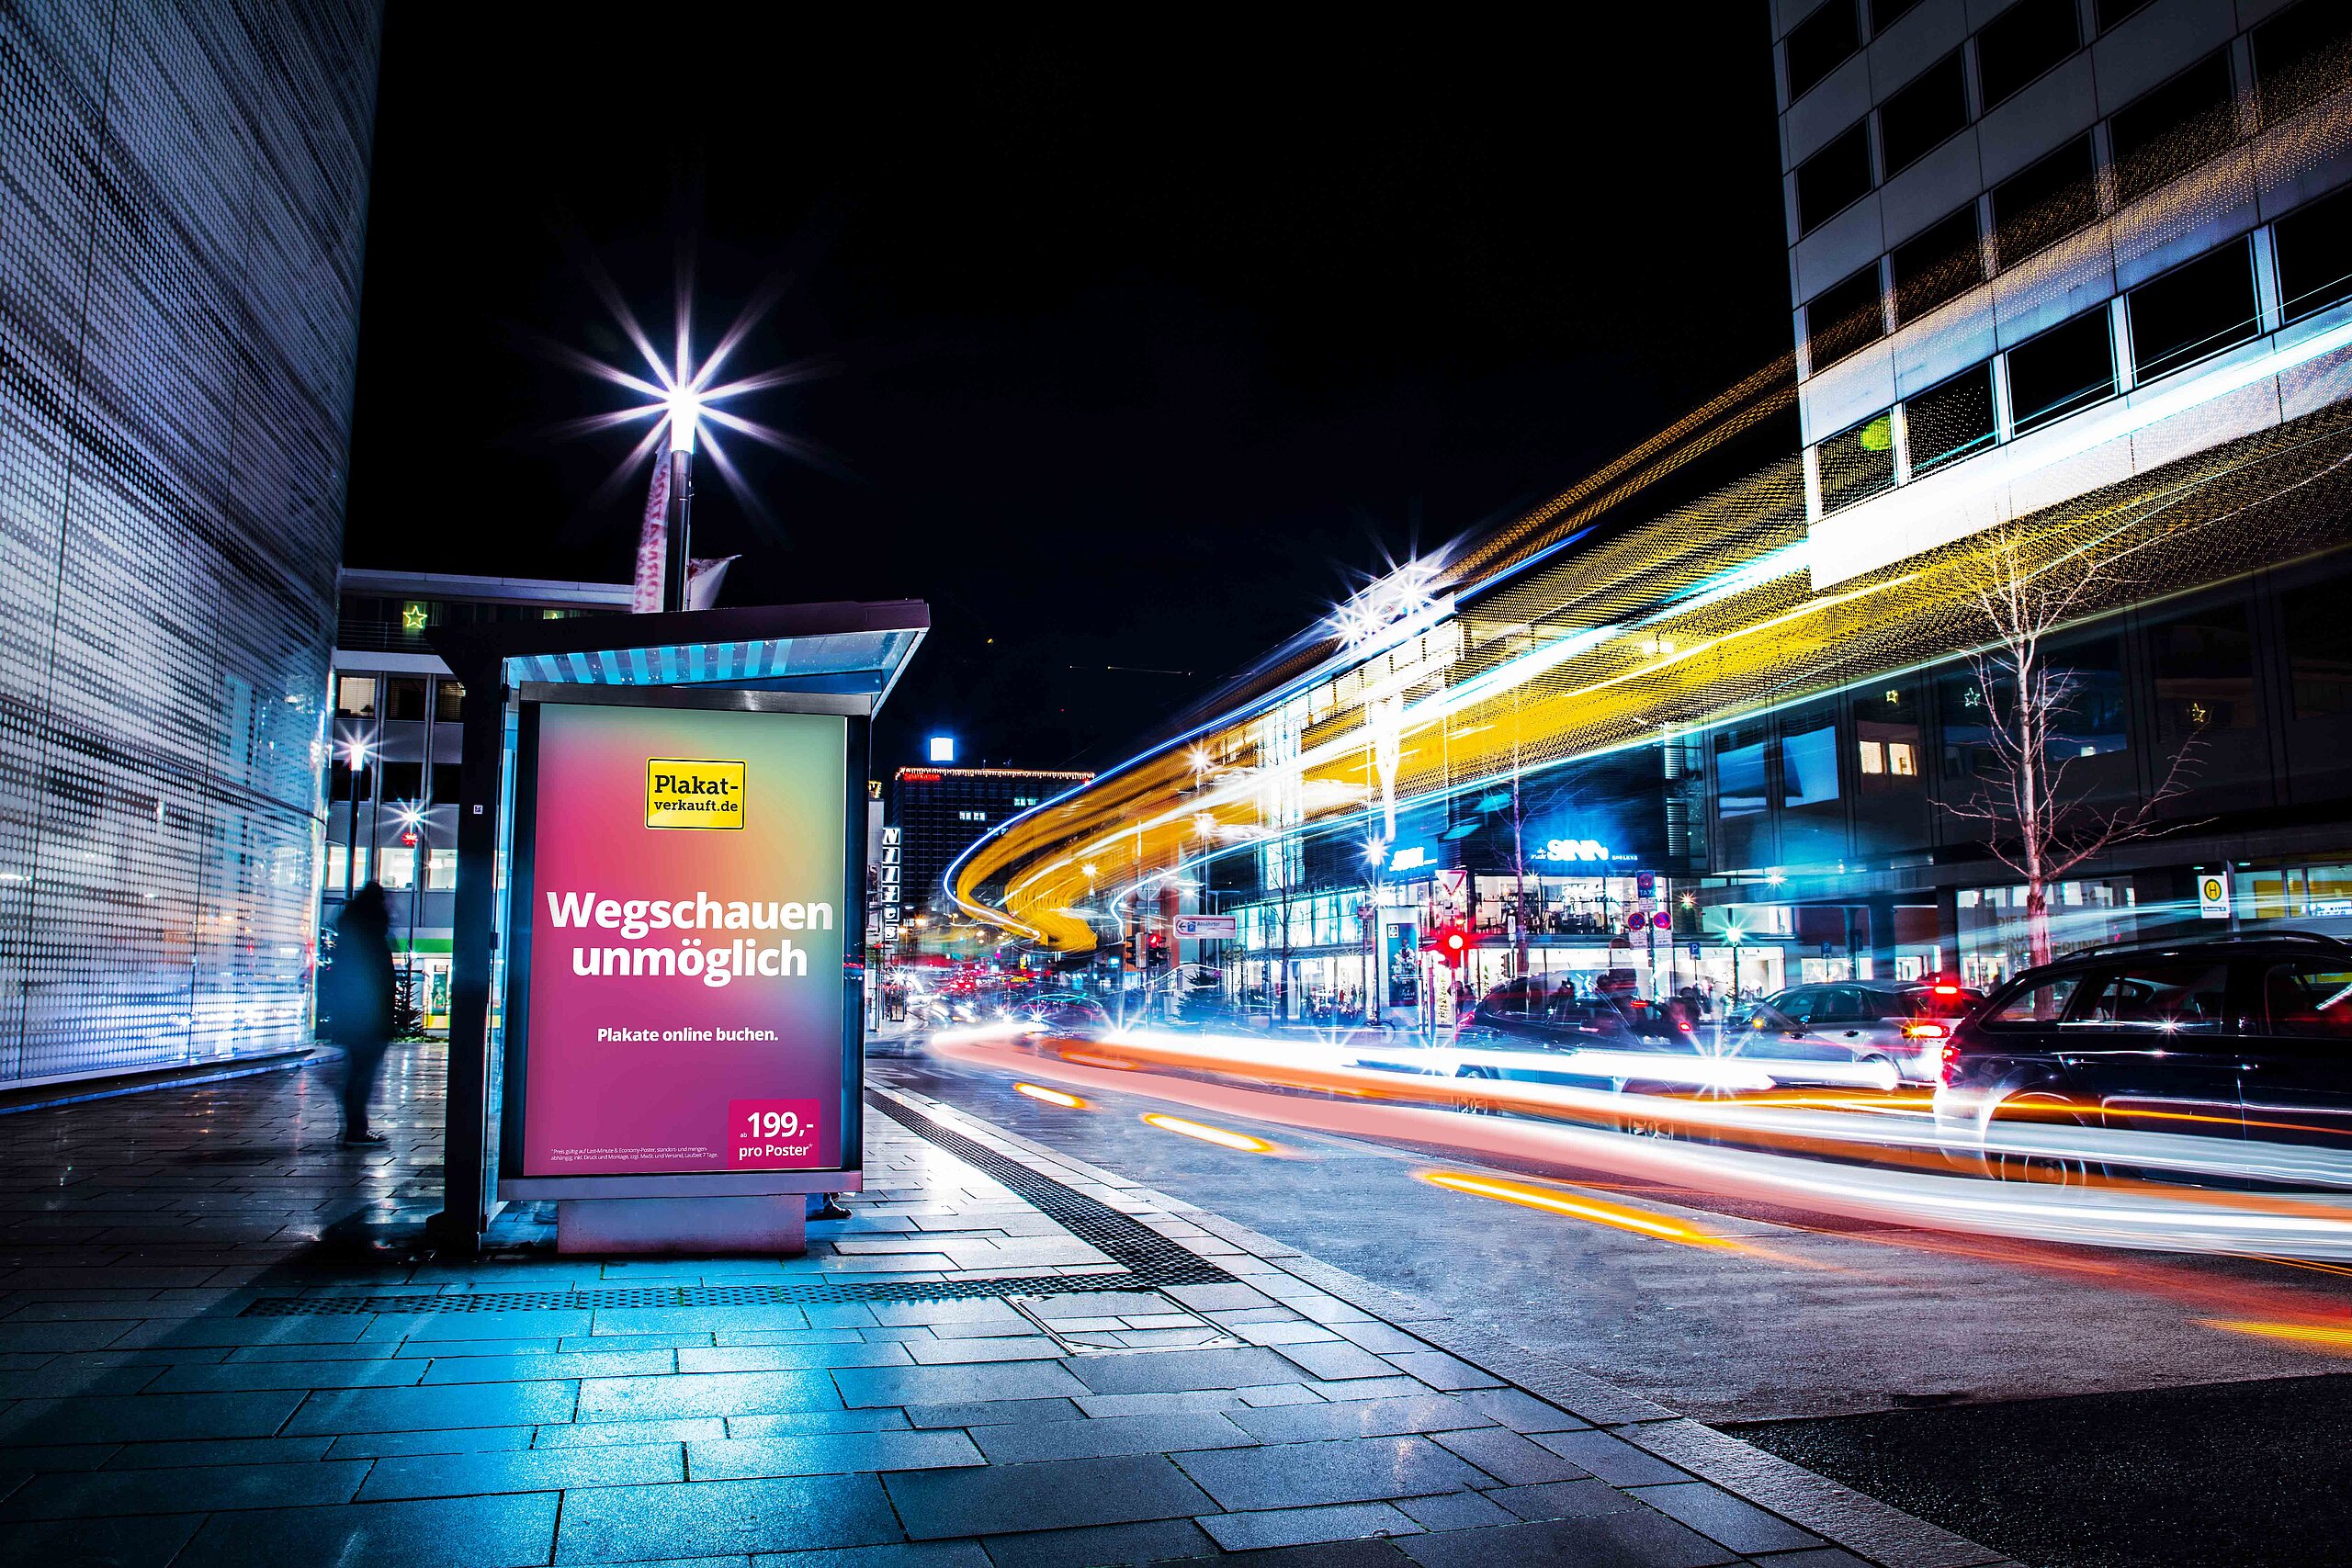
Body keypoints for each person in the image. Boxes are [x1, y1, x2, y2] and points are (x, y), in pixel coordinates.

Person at [322, 883, 396, 1145]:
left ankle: (356, 1128)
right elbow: (376, 981)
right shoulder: (369, 937)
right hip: (367, 1020)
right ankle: (356, 1131)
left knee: (358, 1074)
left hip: (358, 1019)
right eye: (386, 900)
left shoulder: (354, 934)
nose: (391, 905)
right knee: (362, 1074)